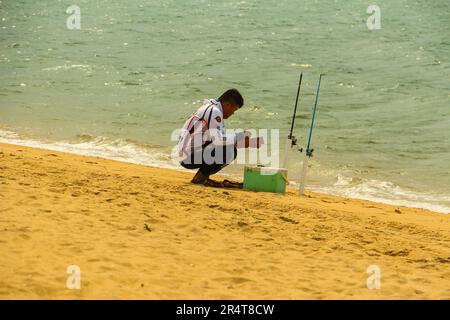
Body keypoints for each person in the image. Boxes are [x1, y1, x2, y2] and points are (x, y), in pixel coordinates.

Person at [177, 89, 263, 188]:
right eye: (234, 110)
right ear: (228, 105)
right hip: (187, 156)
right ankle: (201, 177)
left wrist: (247, 143)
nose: (233, 113)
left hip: (187, 154)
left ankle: (201, 177)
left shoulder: (211, 109)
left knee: (228, 148)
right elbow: (219, 141)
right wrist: (240, 135)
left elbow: (220, 140)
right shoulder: (214, 112)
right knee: (229, 151)